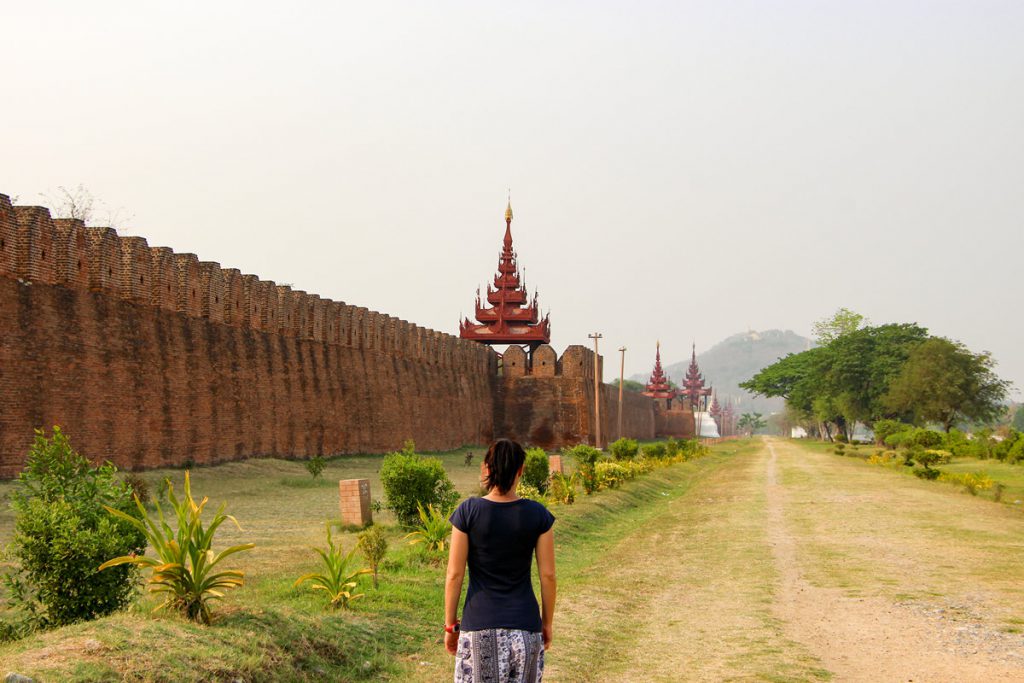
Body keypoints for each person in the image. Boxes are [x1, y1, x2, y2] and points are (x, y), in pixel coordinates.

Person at [444, 439, 557, 682]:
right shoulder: (538, 514)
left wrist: (450, 626)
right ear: (521, 471)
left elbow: (455, 574)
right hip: (526, 627)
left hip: (479, 627)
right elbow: (548, 576)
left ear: (486, 468)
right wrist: (546, 623)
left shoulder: (468, 511)